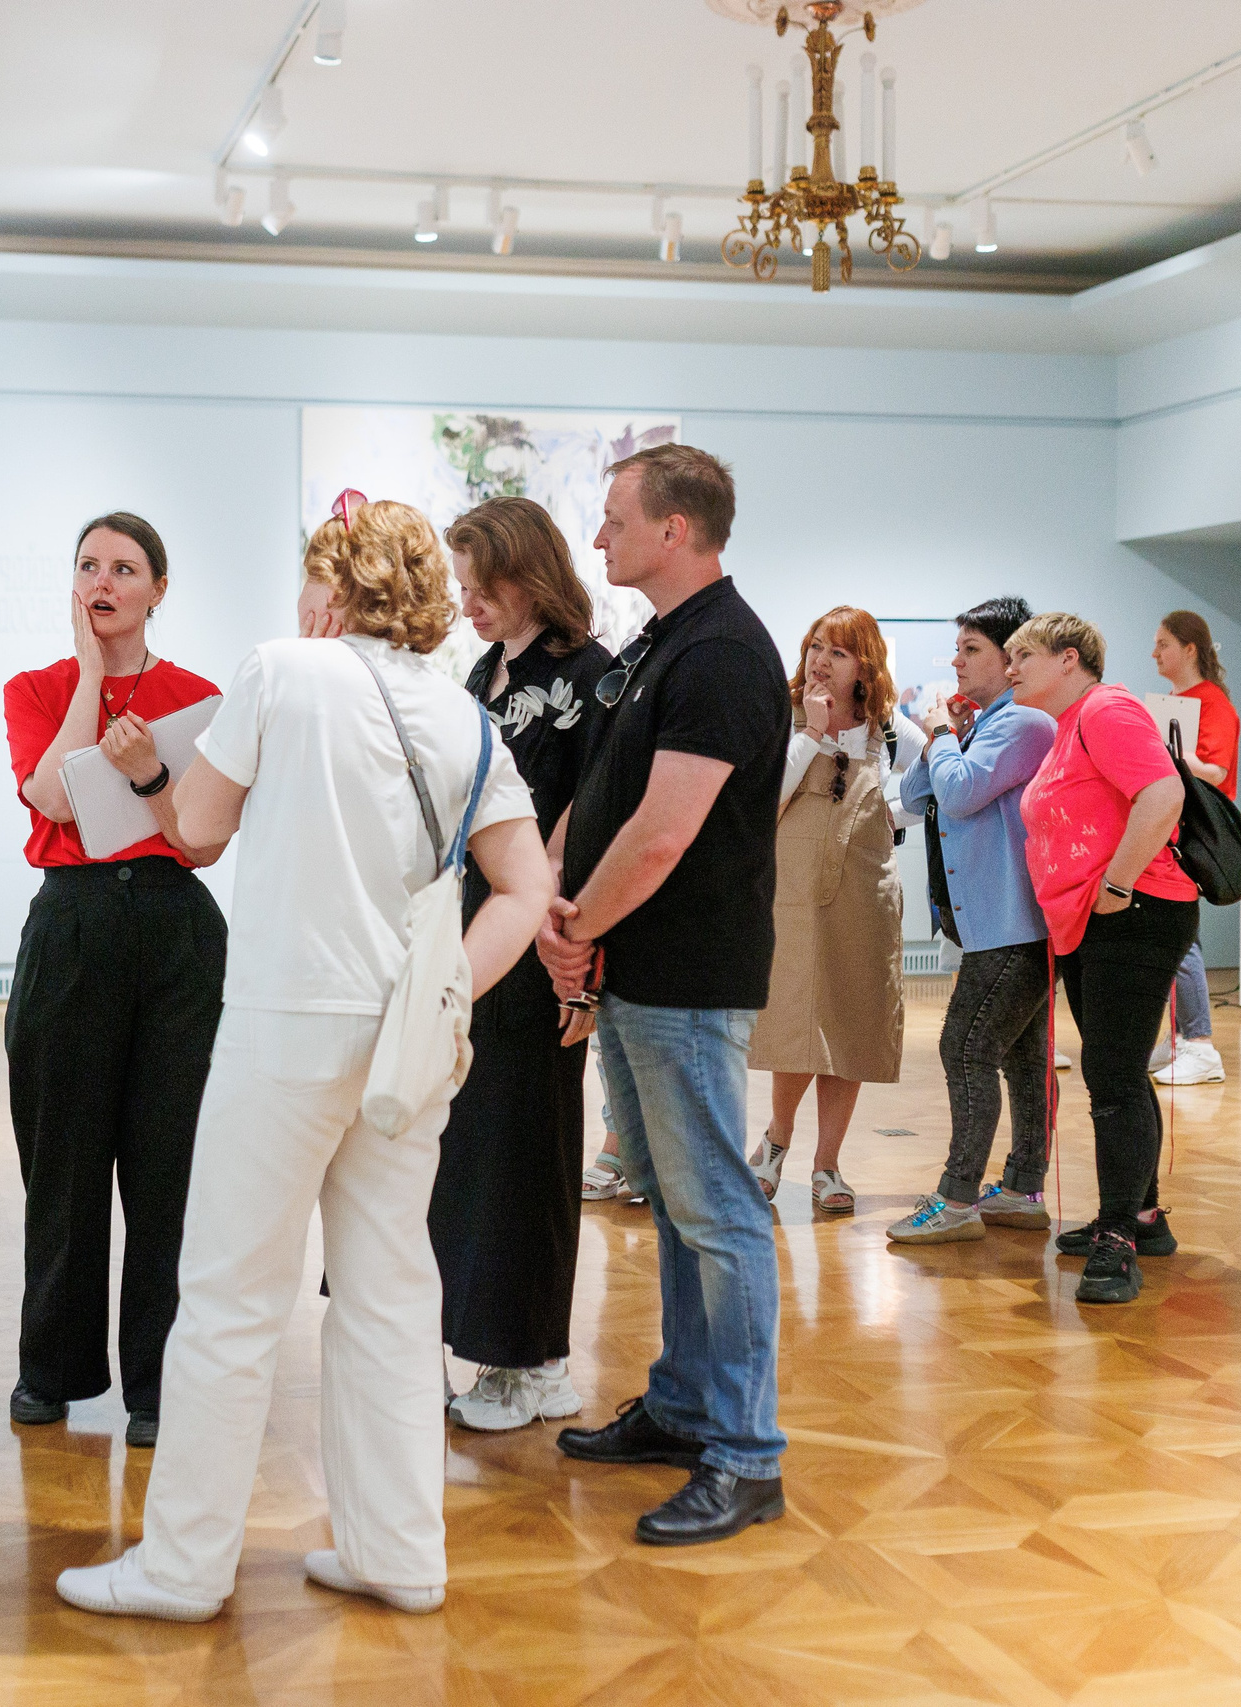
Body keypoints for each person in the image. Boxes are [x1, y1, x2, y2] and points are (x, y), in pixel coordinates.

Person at [56, 495, 555, 1622]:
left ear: (333, 587)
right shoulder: (467, 717)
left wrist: (144, 775)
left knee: (230, 1295)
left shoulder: (281, 670)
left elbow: (196, 831)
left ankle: (183, 1567)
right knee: (387, 1297)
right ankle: (399, 1555)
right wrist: (441, 996)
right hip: (405, 1045)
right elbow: (525, 892)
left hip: (286, 1020)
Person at [536, 444, 792, 1548]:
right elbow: (610, 801)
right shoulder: (665, 643)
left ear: (673, 529)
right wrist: (575, 925)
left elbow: (662, 834)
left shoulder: (726, 653)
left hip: (686, 976)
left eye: (611, 520)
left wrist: (576, 925)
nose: (598, 540)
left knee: (718, 1216)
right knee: (680, 1208)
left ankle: (745, 1456)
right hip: (642, 974)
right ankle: (686, 1405)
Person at [2, 512, 228, 1450]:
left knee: (167, 1165)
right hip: (73, 923)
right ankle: (51, 1368)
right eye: (88, 565)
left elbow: (202, 839)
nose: (103, 581)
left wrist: (146, 780)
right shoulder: (37, 687)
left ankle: (158, 1386)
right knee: (62, 1159)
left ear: (157, 589)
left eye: (123, 568)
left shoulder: (199, 695)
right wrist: (92, 679)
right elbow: (51, 796)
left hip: (175, 930)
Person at [433, 497, 613, 1432]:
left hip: (550, 938)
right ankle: (479, 1344)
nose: (469, 602)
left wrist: (581, 967)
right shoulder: (478, 671)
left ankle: (538, 1360)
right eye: (460, 585)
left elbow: (596, 810)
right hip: (475, 928)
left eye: (482, 583)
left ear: (528, 571)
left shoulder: (593, 676)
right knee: (471, 1148)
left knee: (531, 1149)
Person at [1004, 613, 1194, 1306]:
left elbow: (1163, 792)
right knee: (1116, 1070)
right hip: (1093, 918)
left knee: (1111, 1075)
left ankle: (1118, 1238)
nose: (1012, 667)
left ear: (1069, 657)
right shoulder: (1068, 725)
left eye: (1024, 655)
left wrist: (1116, 882)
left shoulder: (1107, 709)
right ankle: (1142, 1216)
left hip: (1135, 911)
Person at [886, 598, 1059, 1245]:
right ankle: (1021, 1187)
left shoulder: (1024, 725)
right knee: (1020, 1056)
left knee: (964, 1046)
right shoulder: (985, 724)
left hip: (1013, 923)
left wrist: (937, 734)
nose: (955, 662)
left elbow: (956, 791)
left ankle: (958, 1200)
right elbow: (913, 795)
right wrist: (947, 735)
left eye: (970, 650)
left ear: (1010, 656)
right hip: (991, 923)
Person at [747, 606, 904, 1218]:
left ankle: (827, 1163)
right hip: (791, 893)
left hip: (862, 894)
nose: (819, 660)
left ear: (864, 665)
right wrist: (810, 734)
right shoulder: (782, 717)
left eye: (837, 652)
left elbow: (921, 790)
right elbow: (762, 802)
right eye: (815, 646)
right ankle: (777, 1139)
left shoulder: (889, 729)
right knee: (795, 1019)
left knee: (851, 1022)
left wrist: (894, 818)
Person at [1149, 610, 1241, 1086]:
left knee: (1182, 938)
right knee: (1175, 934)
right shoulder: (1177, 701)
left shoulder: (1213, 704)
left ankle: (1200, 1044)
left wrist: (1178, 759)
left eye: (1164, 643)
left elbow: (1218, 773)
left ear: (1189, 648)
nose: (1155, 653)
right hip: (1171, 828)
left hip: (1193, 832)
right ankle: (1185, 1036)